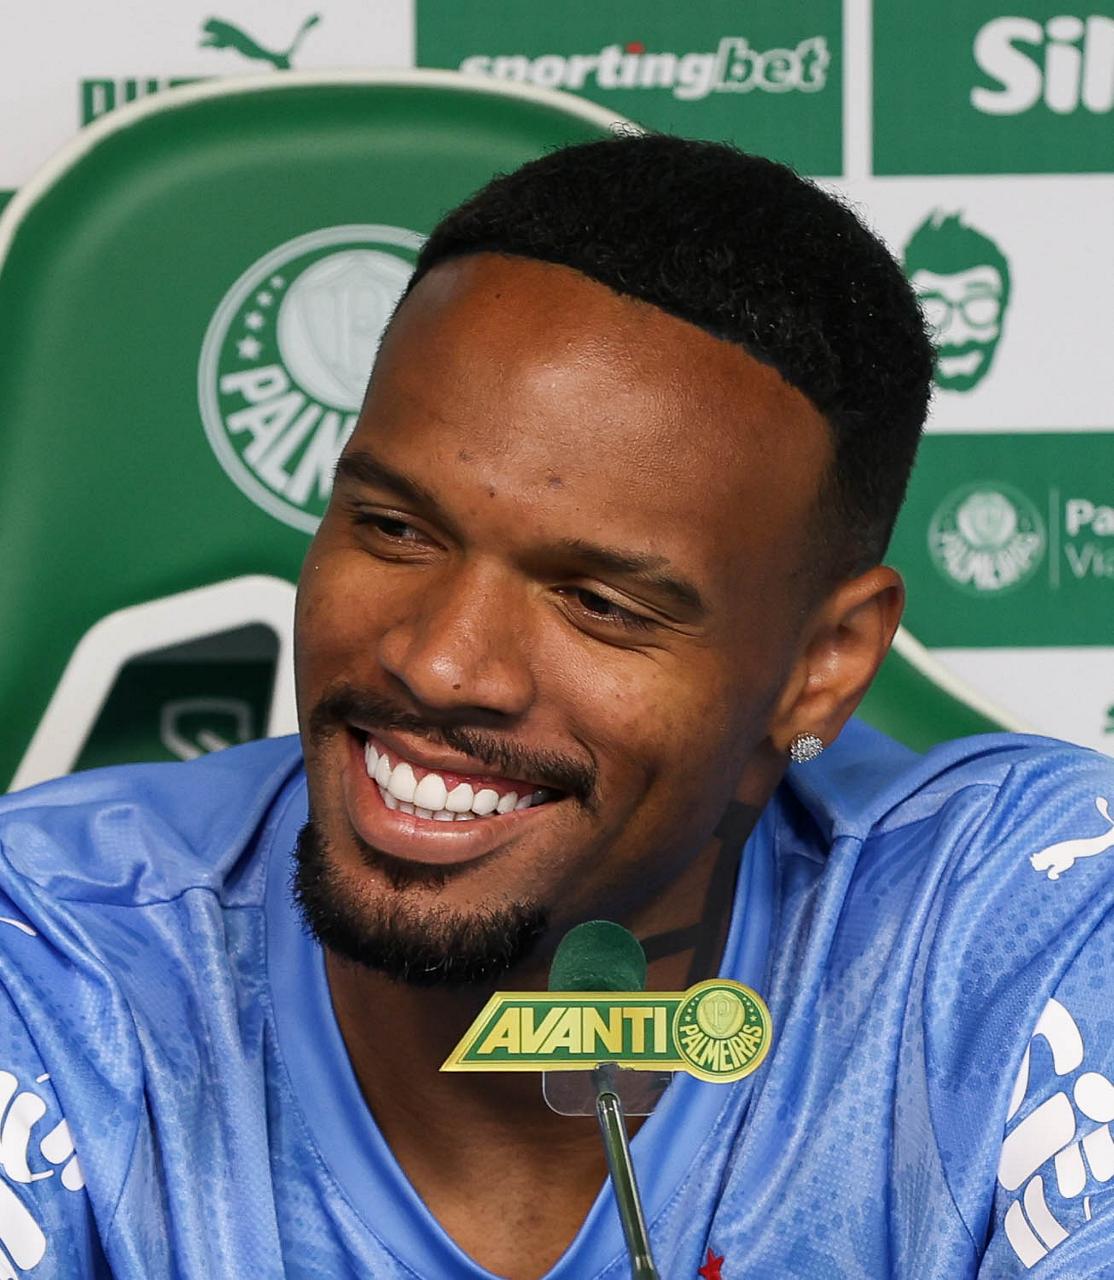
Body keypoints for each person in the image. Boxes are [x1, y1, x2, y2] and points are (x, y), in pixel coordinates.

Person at [1, 133, 1111, 1280]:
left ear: (819, 665)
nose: (440, 663)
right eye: (394, 529)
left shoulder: (1026, 913)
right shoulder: (50, 953)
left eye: (597, 602)